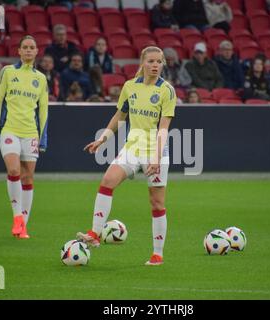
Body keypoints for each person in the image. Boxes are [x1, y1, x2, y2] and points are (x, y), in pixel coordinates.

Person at [77, 46, 177, 266]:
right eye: (150, 61)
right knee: (107, 181)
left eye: (159, 62)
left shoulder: (167, 91)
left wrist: (156, 157)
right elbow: (120, 116)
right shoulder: (129, 87)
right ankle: (94, 234)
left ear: (163, 64)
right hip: (132, 148)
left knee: (157, 203)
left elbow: (163, 128)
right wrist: (103, 138)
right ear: (142, 63)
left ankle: (157, 254)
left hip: (155, 151)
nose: (154, 65)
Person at [0, 35, 49, 239]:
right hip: (10, 130)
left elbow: (44, 111)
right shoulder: (7, 72)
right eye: (25, 47)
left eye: (32, 47)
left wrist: (43, 137)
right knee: (14, 169)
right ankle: (17, 218)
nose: (28, 50)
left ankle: (23, 226)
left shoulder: (41, 79)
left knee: (28, 177)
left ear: (36, 51)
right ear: (19, 51)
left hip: (30, 133)